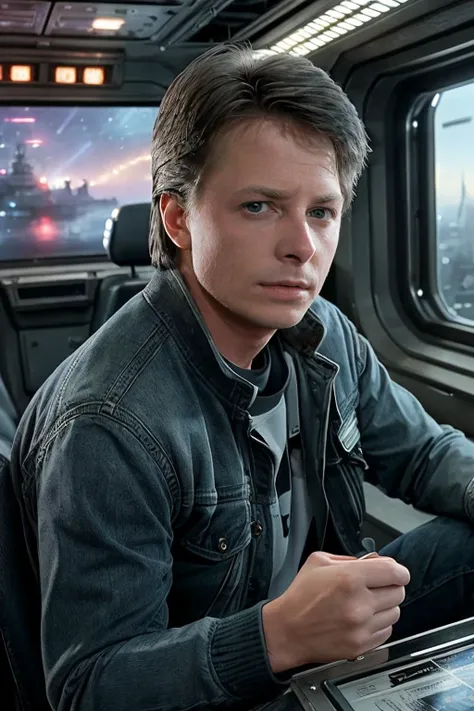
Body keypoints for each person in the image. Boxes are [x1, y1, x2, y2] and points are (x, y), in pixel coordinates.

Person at [9, 43, 474, 711]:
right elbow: (89, 687)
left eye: (321, 211)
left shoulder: (325, 333)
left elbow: (425, 454)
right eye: (260, 206)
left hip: (318, 646)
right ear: (178, 217)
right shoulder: (109, 420)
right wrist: (276, 635)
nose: (303, 246)